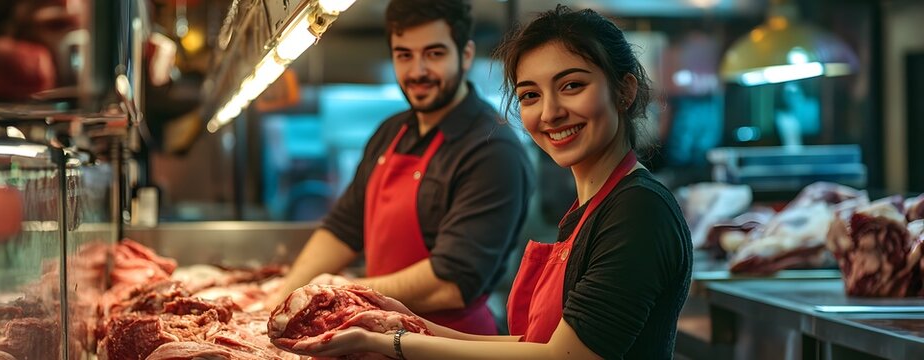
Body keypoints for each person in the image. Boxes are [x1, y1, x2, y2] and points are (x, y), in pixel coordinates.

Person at [284, 5, 693, 359]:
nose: (550, 113)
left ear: (624, 91)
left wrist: (394, 340)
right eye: (530, 95)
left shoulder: (638, 210)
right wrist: (392, 322)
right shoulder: (590, 209)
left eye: (571, 85)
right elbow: (530, 344)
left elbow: (564, 356)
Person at [263, 0, 534, 335]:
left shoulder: (492, 149)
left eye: (434, 54)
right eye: (404, 55)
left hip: (451, 343)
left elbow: (449, 283)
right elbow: (343, 228)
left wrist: (344, 292)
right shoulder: (391, 132)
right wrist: (282, 297)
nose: (417, 71)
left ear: (465, 55)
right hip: (383, 334)